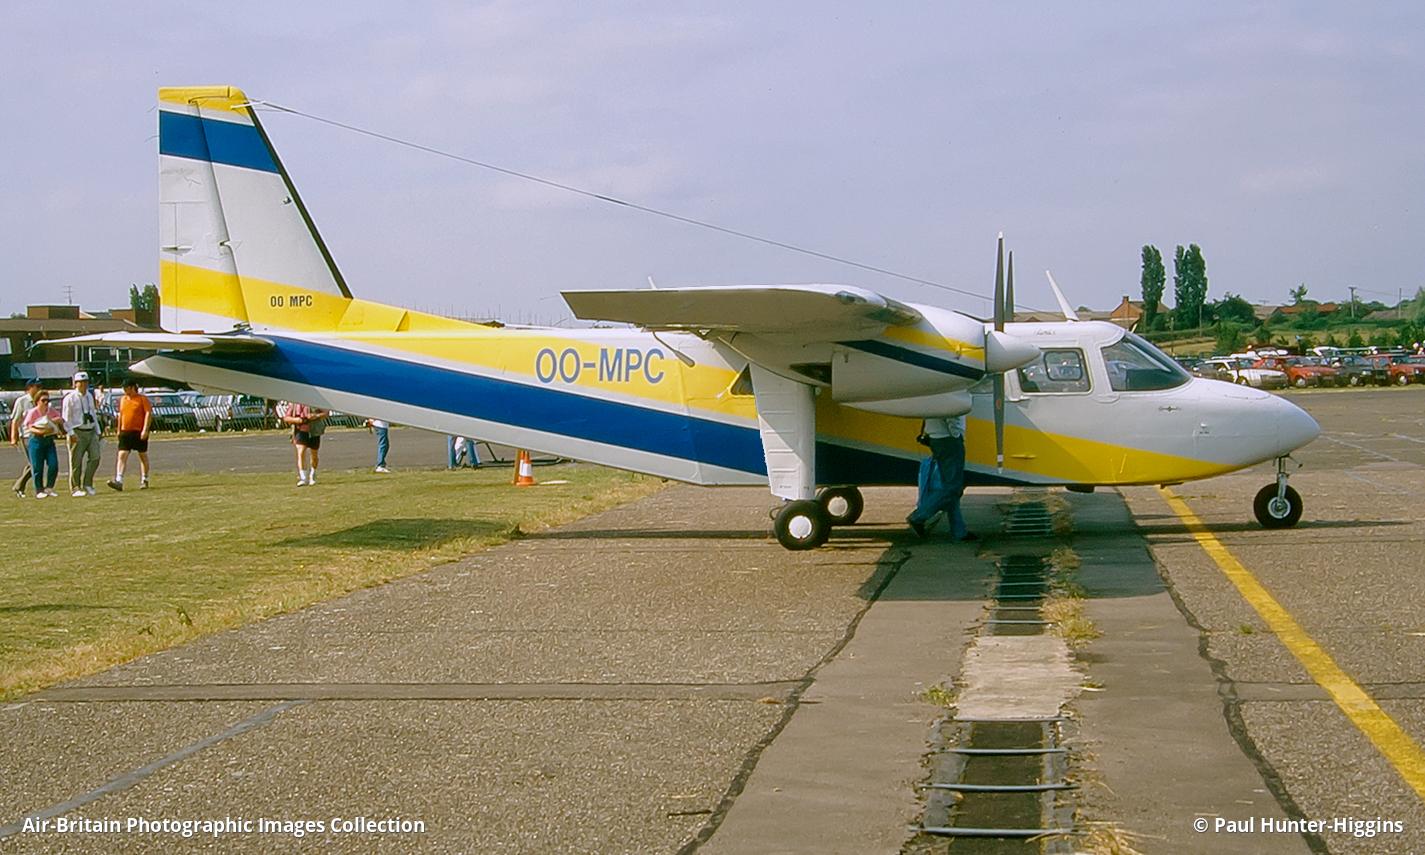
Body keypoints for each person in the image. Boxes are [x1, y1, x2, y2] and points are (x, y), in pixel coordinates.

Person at [906, 415, 976, 541]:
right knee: (952, 488)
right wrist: (956, 434)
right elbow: (952, 412)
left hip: (936, 437)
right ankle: (918, 517)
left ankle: (959, 531)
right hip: (948, 439)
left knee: (950, 486)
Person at [62, 371, 103, 496]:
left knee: (95, 457)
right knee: (76, 461)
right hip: (77, 431)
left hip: (90, 430)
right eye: (80, 382)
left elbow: (93, 414)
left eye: (85, 382)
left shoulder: (89, 396)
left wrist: (98, 431)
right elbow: (66, 418)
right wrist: (70, 433)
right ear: (75, 384)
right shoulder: (70, 398)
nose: (83, 385)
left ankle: (87, 483)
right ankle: (75, 487)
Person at [107, 379, 152, 491]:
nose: (124, 390)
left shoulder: (142, 399)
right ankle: (119, 480)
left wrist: (145, 429)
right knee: (122, 455)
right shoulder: (123, 399)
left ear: (132, 387)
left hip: (138, 431)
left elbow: (148, 413)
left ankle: (145, 479)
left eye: (126, 388)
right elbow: (121, 415)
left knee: (142, 455)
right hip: (125, 431)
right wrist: (119, 429)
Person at [23, 390, 67, 499]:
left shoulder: (51, 411)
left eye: (48, 400)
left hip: (49, 440)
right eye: (43, 400)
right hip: (36, 440)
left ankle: (49, 488)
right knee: (37, 467)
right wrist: (41, 431)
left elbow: (61, 419)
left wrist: (55, 422)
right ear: (37, 401)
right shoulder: (33, 412)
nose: (46, 403)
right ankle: (39, 490)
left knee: (53, 464)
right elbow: (29, 427)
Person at [281, 401, 329, 486]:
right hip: (300, 430)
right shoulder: (294, 404)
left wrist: (315, 416)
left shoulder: (314, 402)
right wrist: (296, 420)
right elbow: (286, 418)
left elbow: (326, 413)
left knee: (314, 455)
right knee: (301, 452)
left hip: (314, 431)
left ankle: (312, 474)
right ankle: (303, 477)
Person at [9, 379, 42, 498]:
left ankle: (20, 487)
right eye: (37, 387)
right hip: (27, 436)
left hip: (40, 435)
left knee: (34, 463)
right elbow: (15, 420)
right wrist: (13, 437)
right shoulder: (22, 401)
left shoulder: (41, 401)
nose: (39, 389)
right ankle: (19, 486)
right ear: (30, 388)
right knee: (34, 463)